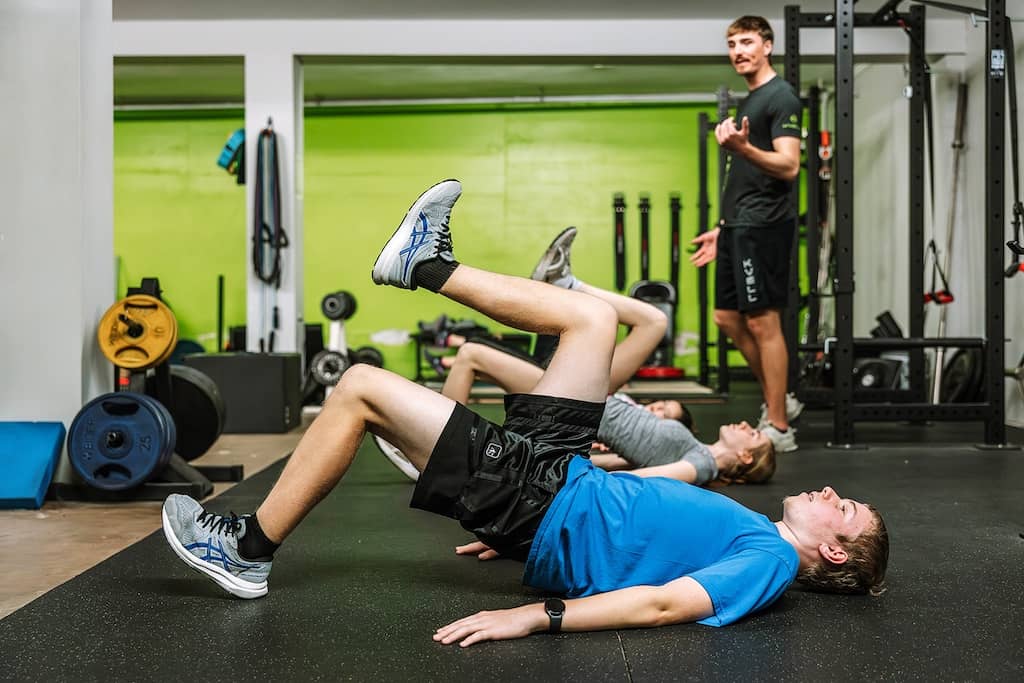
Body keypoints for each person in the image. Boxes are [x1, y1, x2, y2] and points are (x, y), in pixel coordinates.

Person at [161, 179, 889, 647]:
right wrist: (550, 541)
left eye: (845, 509)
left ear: (833, 552)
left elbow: (664, 605)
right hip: (562, 483)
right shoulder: (756, 534)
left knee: (357, 387)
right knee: (592, 321)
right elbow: (647, 538)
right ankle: (425, 265)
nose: (832, 493)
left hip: (545, 497)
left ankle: (246, 548)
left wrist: (536, 615)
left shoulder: (769, 562)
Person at [378, 227, 774, 489]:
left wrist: (568, 482)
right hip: (598, 400)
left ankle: (432, 456)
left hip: (580, 403)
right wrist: (586, 461)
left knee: (471, 354)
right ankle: (566, 284)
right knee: (652, 321)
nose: (746, 425)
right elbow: (626, 465)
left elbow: (646, 481)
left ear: (744, 457)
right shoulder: (694, 446)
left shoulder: (702, 463)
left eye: (753, 434)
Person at [690, 15, 804, 452]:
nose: (738, 51)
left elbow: (789, 166)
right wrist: (722, 229)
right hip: (738, 226)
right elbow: (744, 179)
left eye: (747, 42)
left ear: (767, 46)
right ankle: (780, 398)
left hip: (764, 225)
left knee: (762, 320)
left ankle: (779, 425)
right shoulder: (751, 99)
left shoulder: (782, 97)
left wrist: (743, 147)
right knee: (726, 317)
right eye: (732, 44)